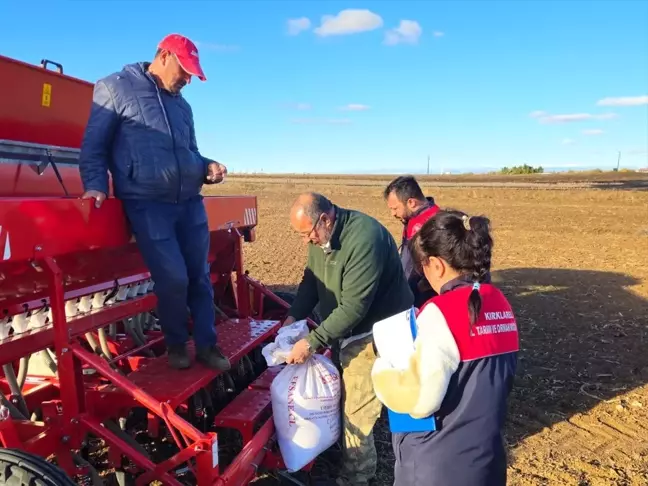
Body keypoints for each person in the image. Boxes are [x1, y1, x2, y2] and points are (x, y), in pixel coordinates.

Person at [78, 33, 231, 371]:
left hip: (190, 201)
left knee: (199, 277)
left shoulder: (182, 106)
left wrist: (207, 166)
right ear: (164, 56)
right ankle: (177, 345)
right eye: (186, 70)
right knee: (173, 278)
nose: (189, 79)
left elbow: (189, 152)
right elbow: (94, 145)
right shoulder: (115, 88)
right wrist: (95, 184)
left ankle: (207, 346)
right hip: (148, 204)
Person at [370, 210, 519, 486]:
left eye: (422, 268)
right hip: (487, 460)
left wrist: (383, 368)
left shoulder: (440, 312)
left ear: (437, 265)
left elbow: (420, 402)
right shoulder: (501, 304)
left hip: (438, 466)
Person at [284, 192, 413, 486]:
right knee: (348, 394)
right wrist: (293, 317)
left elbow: (355, 308)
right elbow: (311, 281)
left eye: (307, 234)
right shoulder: (322, 238)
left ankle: (357, 477)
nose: (306, 241)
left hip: (376, 330)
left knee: (357, 410)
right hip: (351, 328)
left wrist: (312, 342)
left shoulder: (364, 238)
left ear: (325, 219)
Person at [383, 175, 440, 307]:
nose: (393, 214)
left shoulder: (421, 227)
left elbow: (409, 270)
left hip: (421, 297)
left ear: (412, 203)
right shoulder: (430, 214)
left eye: (395, 208)